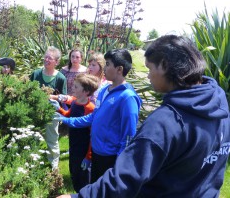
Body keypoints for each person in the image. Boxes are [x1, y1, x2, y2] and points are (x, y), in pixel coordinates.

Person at [57, 35, 230, 198]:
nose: (148, 76)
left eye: (149, 68)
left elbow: (126, 178)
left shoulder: (165, 122)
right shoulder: (217, 101)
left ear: (164, 65)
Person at [55, 48, 142, 183]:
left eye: (107, 64)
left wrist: (120, 162)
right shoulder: (104, 91)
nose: (104, 68)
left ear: (119, 69)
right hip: (96, 151)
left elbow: (129, 134)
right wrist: (66, 120)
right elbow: (92, 117)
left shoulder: (128, 97)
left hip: (110, 156)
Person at [51, 73, 99, 192]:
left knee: (84, 180)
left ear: (86, 92)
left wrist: (88, 157)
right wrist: (59, 109)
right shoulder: (75, 103)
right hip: (74, 145)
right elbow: (69, 115)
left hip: (83, 149)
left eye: (76, 87)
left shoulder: (90, 108)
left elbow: (93, 135)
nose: (73, 88)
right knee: (74, 174)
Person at [30, 46, 67, 170]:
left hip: (52, 113)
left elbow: (63, 97)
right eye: (45, 57)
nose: (46, 60)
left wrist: (50, 96)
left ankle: (53, 167)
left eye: (50, 58)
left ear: (56, 62)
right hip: (35, 111)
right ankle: (32, 162)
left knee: (52, 139)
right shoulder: (35, 74)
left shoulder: (60, 78)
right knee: (33, 136)